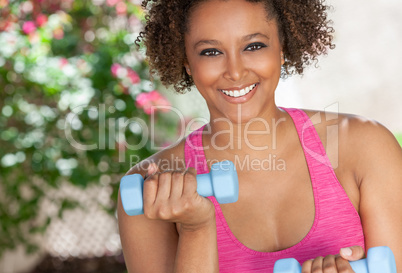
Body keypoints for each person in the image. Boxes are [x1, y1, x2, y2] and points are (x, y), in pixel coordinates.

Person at [117, 0, 402, 272]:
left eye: (254, 46)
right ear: (187, 63)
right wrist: (196, 229)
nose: (235, 71)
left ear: (281, 48)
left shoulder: (367, 147)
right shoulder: (149, 192)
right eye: (211, 52)